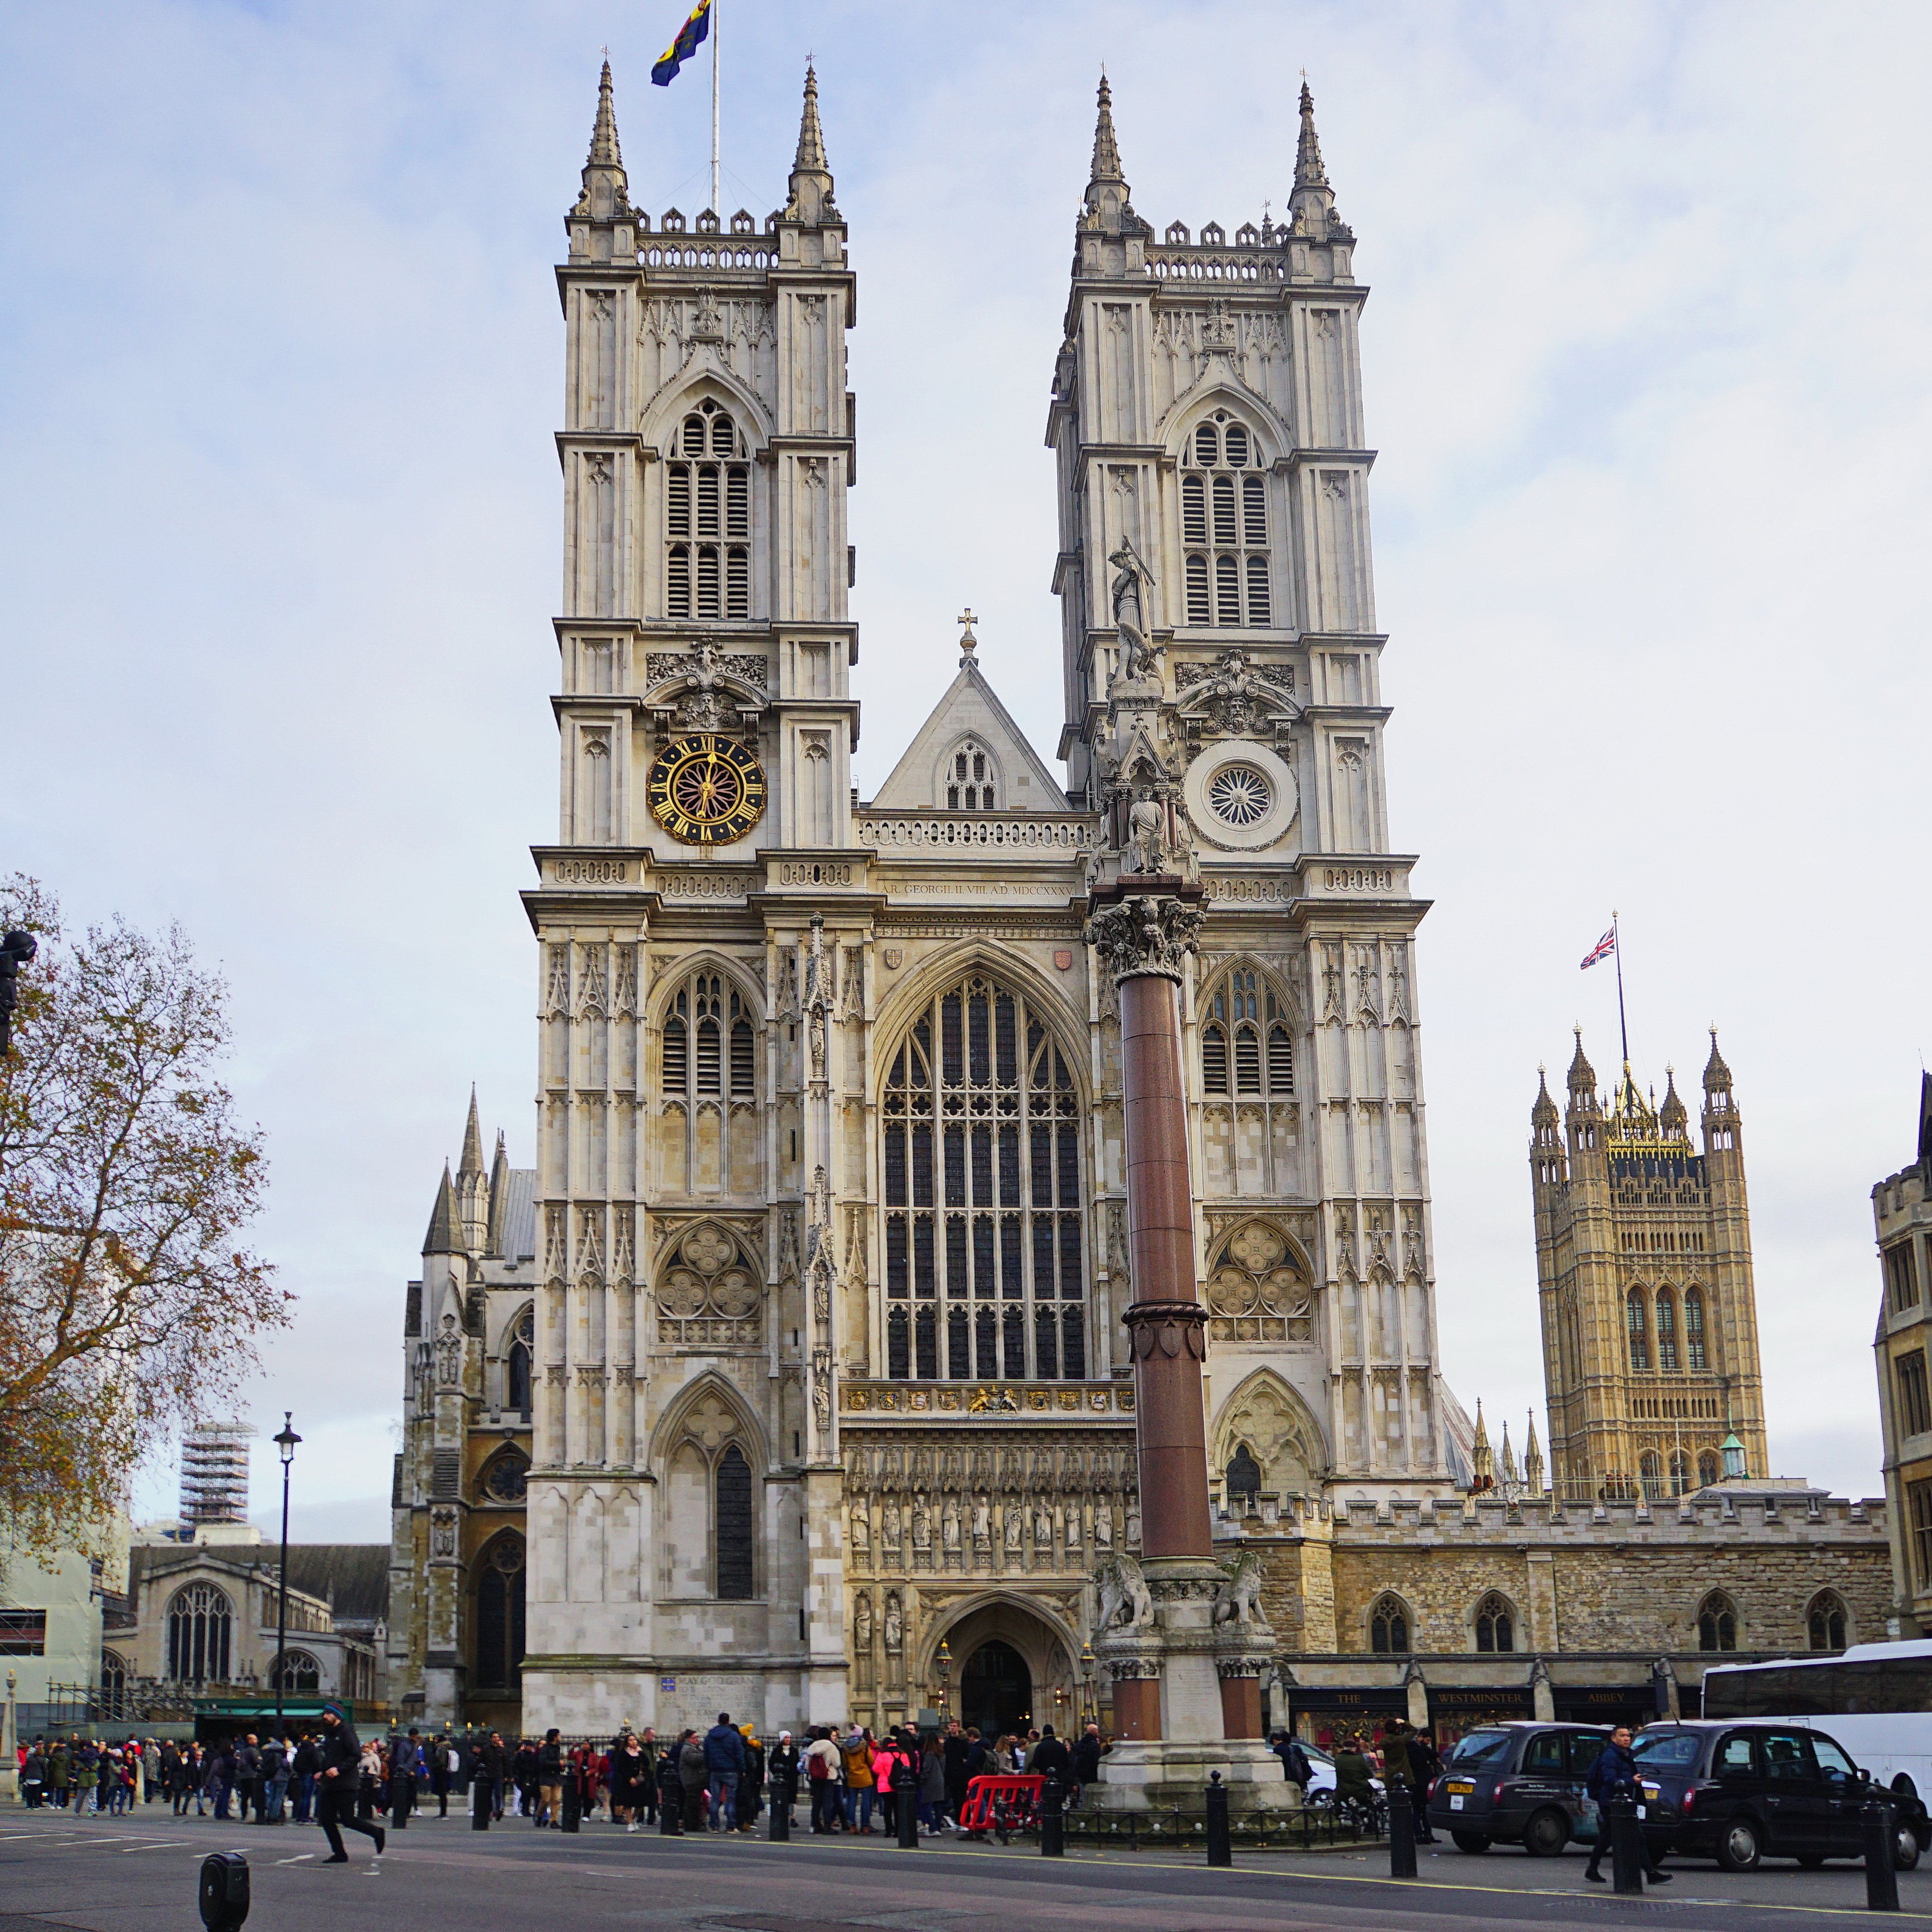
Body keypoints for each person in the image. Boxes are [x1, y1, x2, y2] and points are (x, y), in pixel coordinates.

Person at [1584, 1725, 1671, 1884]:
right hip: (1613, 1804)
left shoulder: (1625, 1754)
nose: (1626, 1739)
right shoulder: (1611, 1756)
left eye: (1628, 1736)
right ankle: (1650, 1873)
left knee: (1608, 1837)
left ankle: (1592, 1868)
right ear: (1613, 1738)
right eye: (1622, 1736)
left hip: (1623, 1803)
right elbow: (1610, 1780)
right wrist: (1633, 1781)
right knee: (1636, 1837)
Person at [314, 1701, 386, 1865]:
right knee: (325, 1819)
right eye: (324, 1714)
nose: (325, 1717)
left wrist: (339, 1770)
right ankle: (339, 1853)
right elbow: (330, 1757)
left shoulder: (347, 1731)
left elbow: (355, 1755)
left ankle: (377, 1833)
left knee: (348, 1819)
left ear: (337, 1716)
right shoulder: (330, 1734)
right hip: (330, 1783)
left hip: (346, 1783)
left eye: (329, 1714)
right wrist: (322, 1771)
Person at [704, 1711, 747, 1831]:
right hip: (730, 1770)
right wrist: (742, 1769)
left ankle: (715, 1826)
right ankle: (731, 1826)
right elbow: (739, 1754)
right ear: (729, 1722)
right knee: (731, 1799)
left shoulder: (710, 1736)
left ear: (718, 1721)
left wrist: (709, 1767)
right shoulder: (734, 1736)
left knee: (715, 1799)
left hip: (715, 1771)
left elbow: (706, 1755)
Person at [804, 1727, 841, 1833]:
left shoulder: (812, 1747)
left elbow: (807, 1766)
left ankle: (816, 1825)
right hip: (828, 1777)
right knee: (827, 1802)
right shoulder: (831, 1747)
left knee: (817, 1802)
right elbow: (837, 1763)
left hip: (815, 1778)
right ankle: (827, 1825)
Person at [768, 1730, 800, 1830]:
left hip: (792, 1778)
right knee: (781, 1797)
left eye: (789, 1738)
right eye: (786, 1738)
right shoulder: (777, 1751)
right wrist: (777, 1773)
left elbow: (798, 1763)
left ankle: (793, 1817)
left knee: (792, 1798)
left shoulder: (794, 1751)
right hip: (781, 1778)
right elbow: (772, 1764)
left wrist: (795, 1773)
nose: (788, 1740)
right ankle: (782, 1815)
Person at [677, 1728, 708, 1831]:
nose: (697, 1739)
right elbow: (695, 1760)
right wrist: (707, 1755)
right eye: (694, 1738)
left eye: (697, 1737)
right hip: (692, 1781)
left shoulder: (694, 1748)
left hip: (695, 1780)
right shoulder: (687, 1749)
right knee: (692, 1805)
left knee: (694, 1804)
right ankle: (692, 1825)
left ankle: (693, 1824)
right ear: (689, 1739)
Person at [389, 1730, 420, 1828]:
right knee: (405, 1794)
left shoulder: (414, 1745)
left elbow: (414, 1758)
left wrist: (418, 1762)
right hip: (405, 1774)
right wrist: (407, 1771)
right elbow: (400, 1760)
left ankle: (407, 1812)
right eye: (416, 1736)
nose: (417, 1738)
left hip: (414, 1772)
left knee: (412, 1793)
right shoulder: (404, 1745)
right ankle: (404, 1813)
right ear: (412, 1736)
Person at [534, 1728, 564, 1828]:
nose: (560, 1737)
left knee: (556, 1800)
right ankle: (539, 1816)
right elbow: (542, 1763)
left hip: (556, 1777)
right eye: (559, 1735)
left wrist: (561, 1766)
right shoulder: (545, 1749)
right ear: (555, 1737)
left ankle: (554, 1821)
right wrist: (557, 1764)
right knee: (545, 1800)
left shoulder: (558, 1748)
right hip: (546, 1778)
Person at [1271, 1728, 1312, 1794]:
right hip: (1300, 1778)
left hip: (1287, 1778)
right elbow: (1304, 1761)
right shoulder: (1297, 1748)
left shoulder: (1278, 1750)